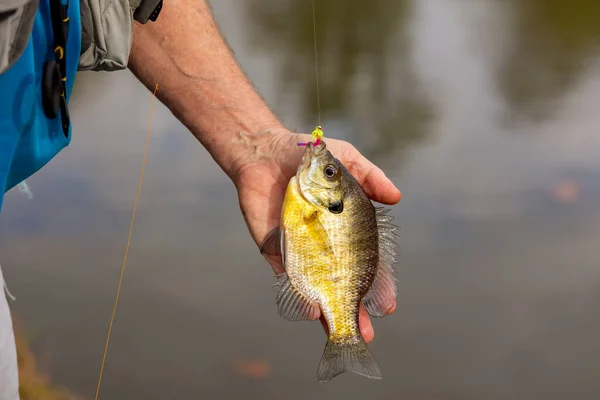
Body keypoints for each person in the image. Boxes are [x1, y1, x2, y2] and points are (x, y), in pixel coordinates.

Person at [0, 0, 401, 397]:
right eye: (331, 174)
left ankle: (344, 337)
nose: (325, 168)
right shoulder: (313, 199)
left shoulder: (308, 193)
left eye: (329, 173)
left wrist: (257, 144)